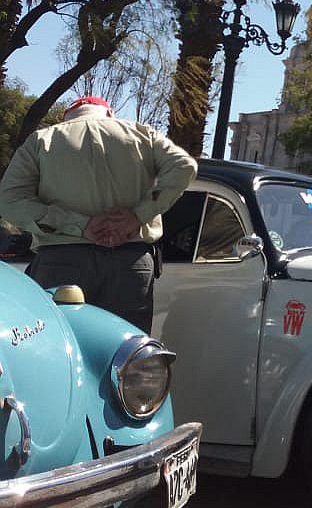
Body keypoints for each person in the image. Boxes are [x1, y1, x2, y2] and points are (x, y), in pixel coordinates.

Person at [0, 95, 197, 333]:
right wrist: (137, 216)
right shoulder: (143, 134)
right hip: (130, 263)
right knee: (126, 349)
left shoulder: (42, 140)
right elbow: (184, 166)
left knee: (61, 343)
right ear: (109, 114)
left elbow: (8, 200)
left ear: (67, 117)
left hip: (61, 263)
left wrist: (80, 225)